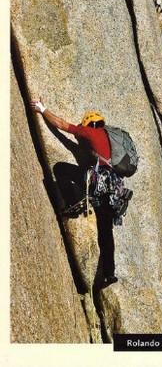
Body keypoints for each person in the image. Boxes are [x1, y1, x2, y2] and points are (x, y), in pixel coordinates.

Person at [30, 98, 122, 287]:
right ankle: (109, 273)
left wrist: (42, 109)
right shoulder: (110, 140)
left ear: (88, 122)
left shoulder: (89, 131)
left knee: (60, 168)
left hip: (98, 181)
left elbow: (62, 125)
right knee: (106, 232)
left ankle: (72, 203)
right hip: (113, 188)